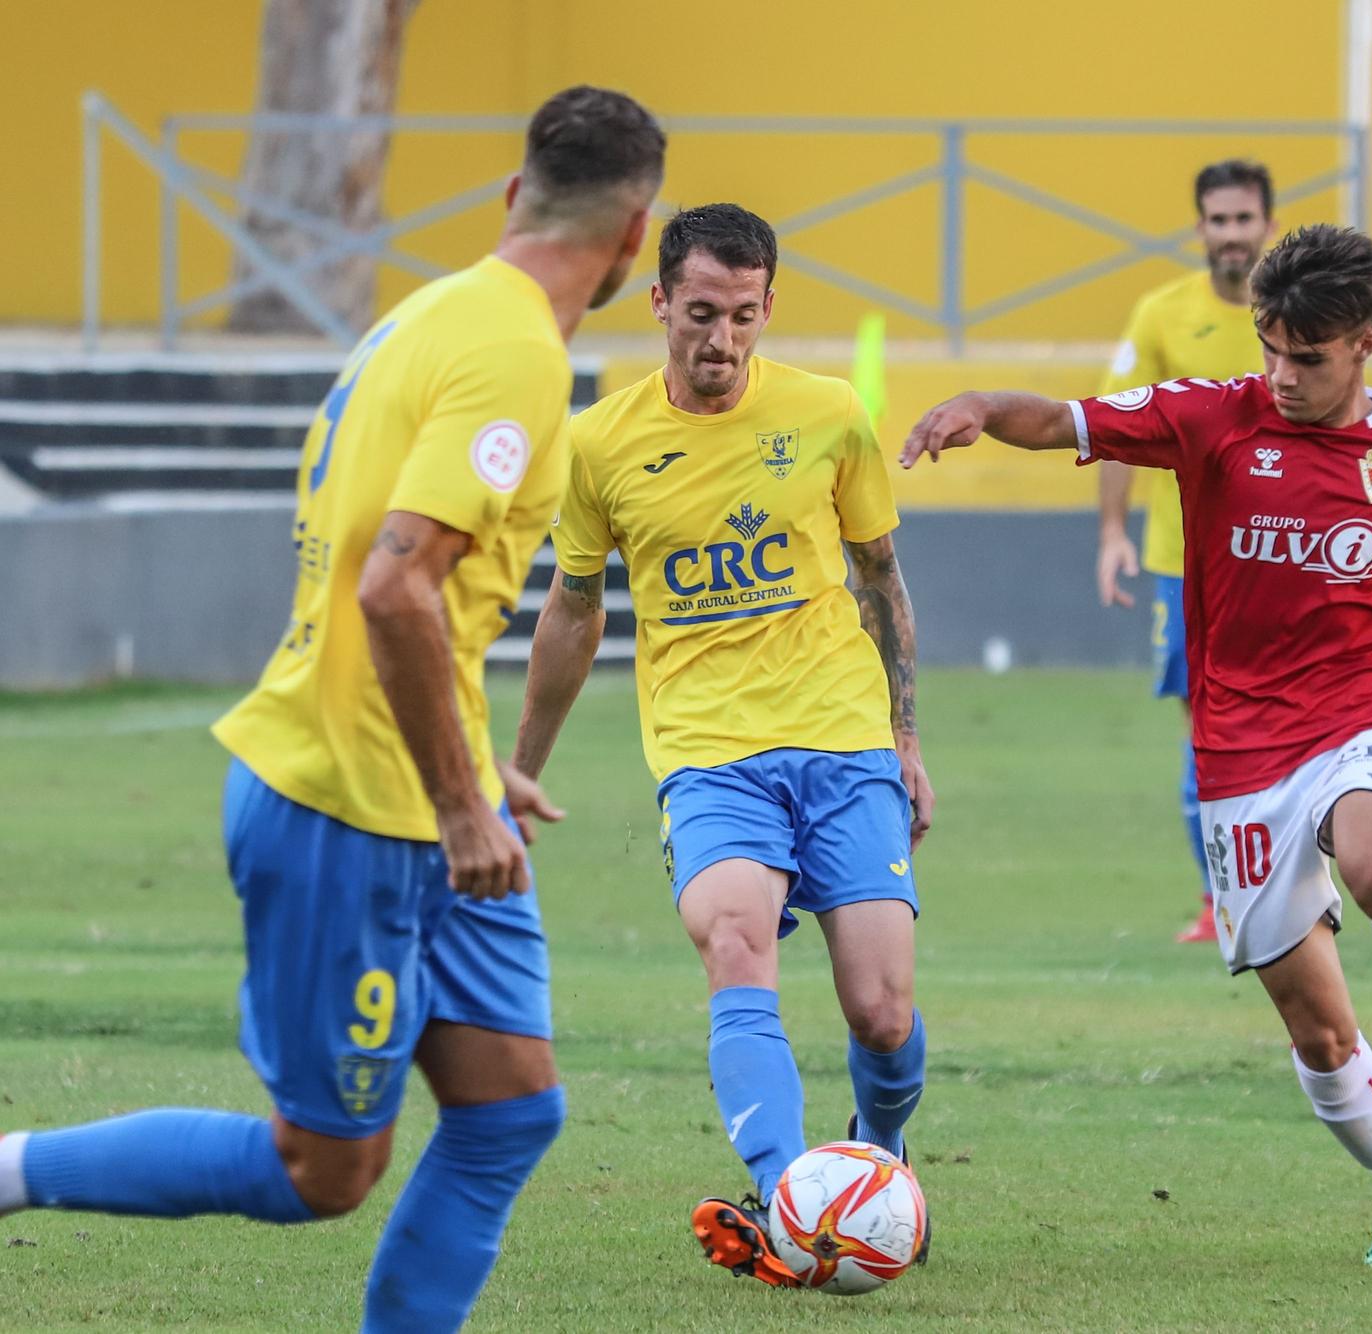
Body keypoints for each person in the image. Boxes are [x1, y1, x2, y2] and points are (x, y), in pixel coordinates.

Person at [0, 87, 664, 1331]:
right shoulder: (515, 353)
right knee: (323, 1167)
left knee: (511, 1107)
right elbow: (395, 584)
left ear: (512, 197)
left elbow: (395, 575)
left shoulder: (426, 314)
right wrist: (462, 798)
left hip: (416, 787)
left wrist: (468, 764)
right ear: (637, 238)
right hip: (349, 809)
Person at [903, 224, 1372, 1269]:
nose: (1283, 375)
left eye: (1308, 357)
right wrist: (982, 408)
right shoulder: (1214, 418)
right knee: (1316, 1033)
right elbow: (1069, 418)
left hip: (1361, 711)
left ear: (1361, 344)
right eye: (1271, 350)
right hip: (1238, 751)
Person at [508, 203, 932, 1289]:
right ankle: (791, 1198)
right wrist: (525, 765)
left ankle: (873, 1161)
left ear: (768, 310)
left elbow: (879, 580)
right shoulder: (599, 442)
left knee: (881, 1012)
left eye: (743, 317)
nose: (721, 341)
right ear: (657, 303)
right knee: (734, 938)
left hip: (843, 743)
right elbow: (571, 607)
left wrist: (905, 737)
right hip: (708, 757)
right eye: (700, 314)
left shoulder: (830, 416)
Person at [1096, 159, 1276, 943]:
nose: (1232, 234)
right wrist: (1111, 533)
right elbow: (1110, 423)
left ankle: (1287, 880)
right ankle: (1219, 899)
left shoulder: (1296, 311)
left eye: (1244, 219)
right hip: (1184, 561)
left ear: (1268, 224)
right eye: (1219, 220)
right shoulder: (1162, 315)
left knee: (1289, 718)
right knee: (1203, 723)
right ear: (1199, 228)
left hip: (1283, 554)